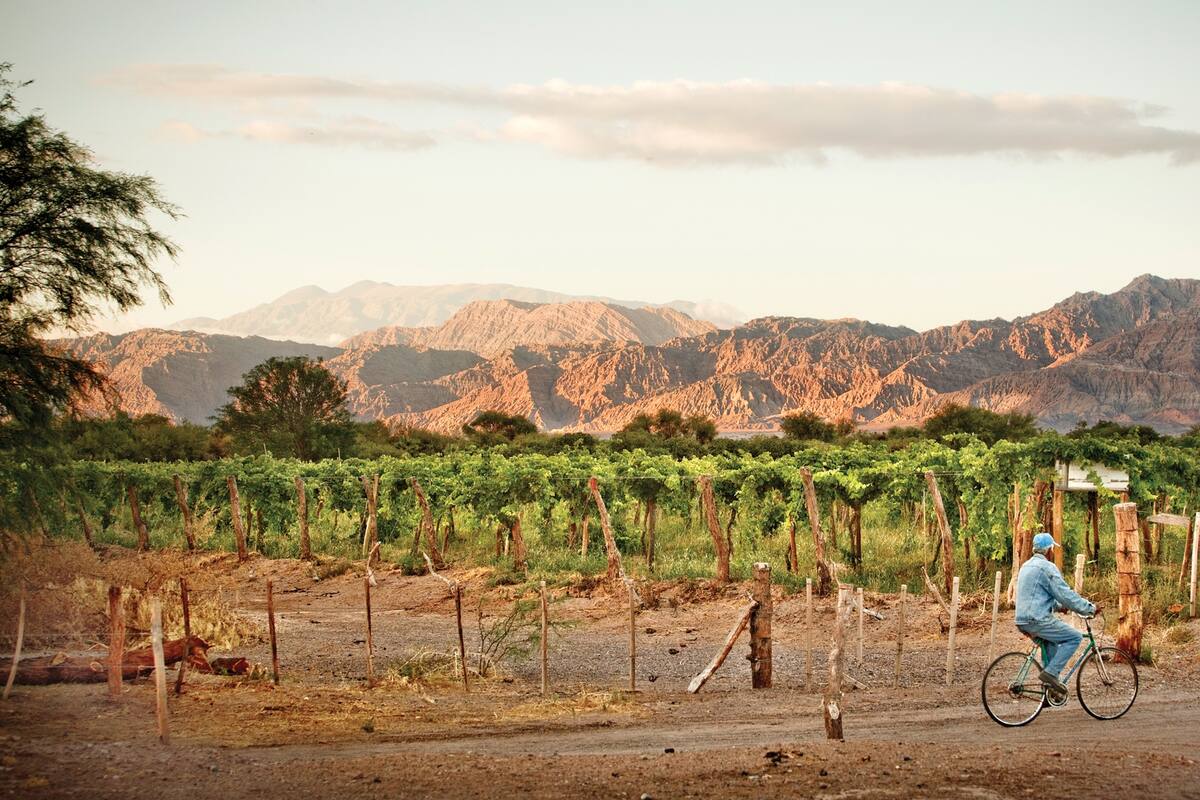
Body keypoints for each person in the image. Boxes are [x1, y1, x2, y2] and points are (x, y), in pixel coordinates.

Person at [1015, 532, 1097, 700]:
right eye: (1053, 548)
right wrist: (1089, 608)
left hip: (1023, 619)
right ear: (1049, 550)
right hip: (1037, 620)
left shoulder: (1026, 566)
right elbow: (1064, 594)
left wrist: (1060, 608)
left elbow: (1037, 596)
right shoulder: (1046, 568)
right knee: (1074, 637)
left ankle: (1050, 693)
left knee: (1051, 643)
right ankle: (1051, 675)